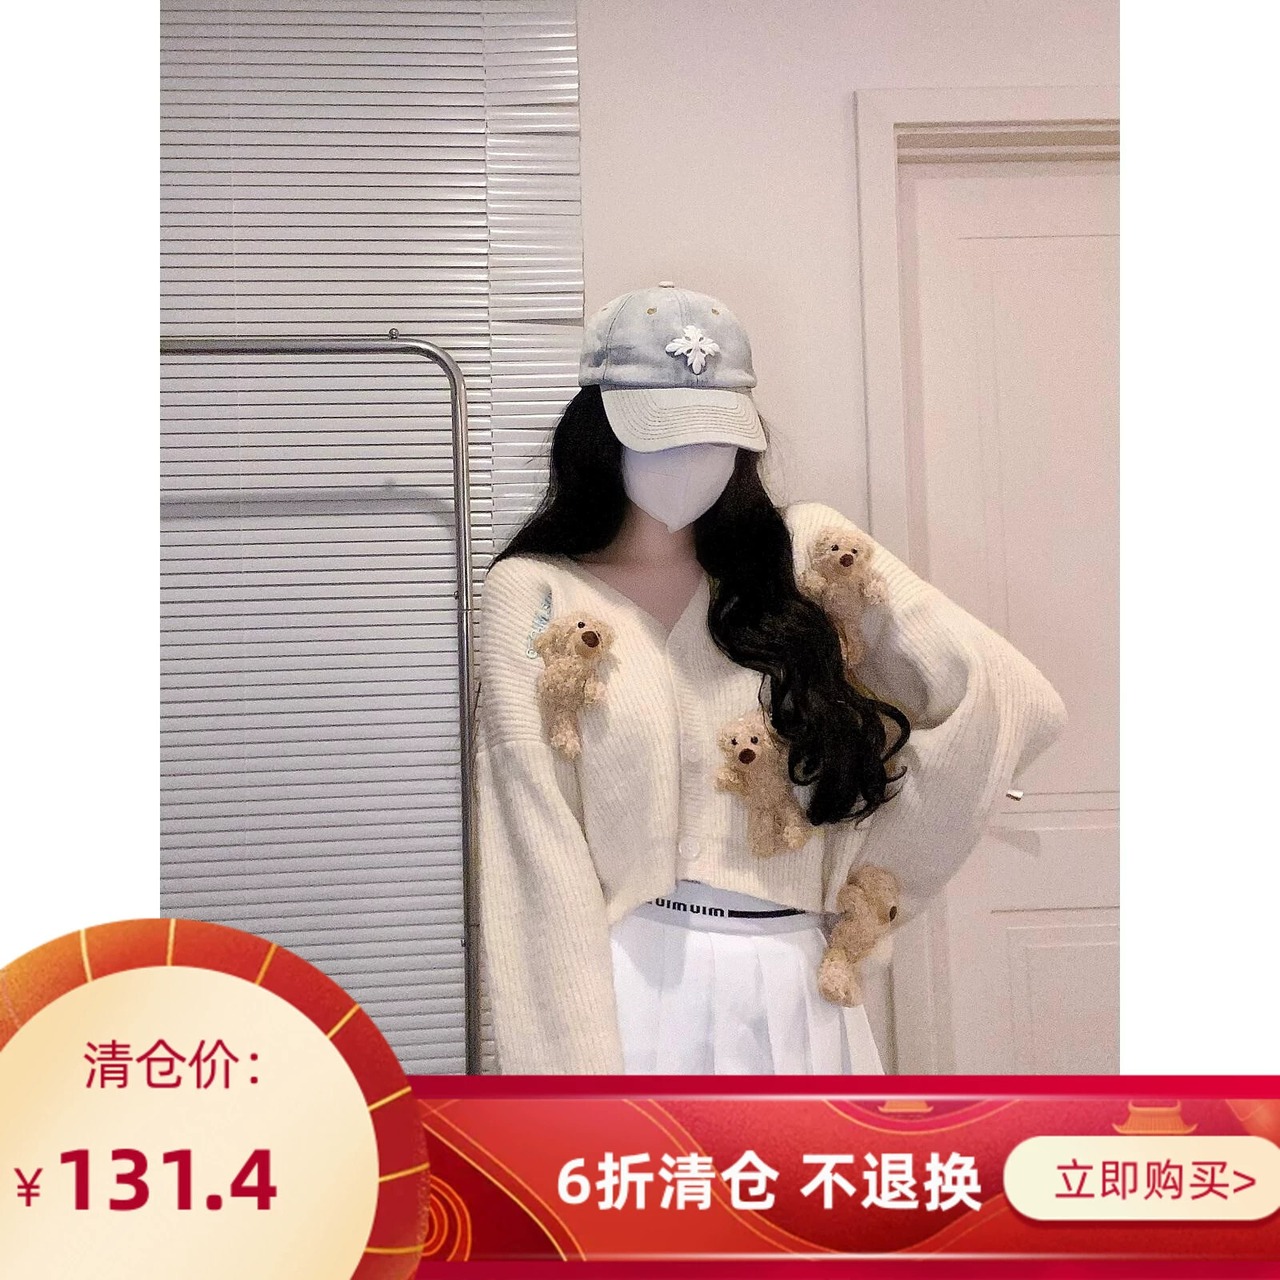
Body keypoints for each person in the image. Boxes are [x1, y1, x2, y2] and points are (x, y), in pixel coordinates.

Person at [473, 281, 1066, 1074]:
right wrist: (567, 1079)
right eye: (661, 436)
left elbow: (1011, 697)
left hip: (797, 982)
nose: (691, 464)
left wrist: (876, 879)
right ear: (598, 436)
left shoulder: (806, 556)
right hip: (633, 986)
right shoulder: (539, 593)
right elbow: (534, 848)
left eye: (715, 438)